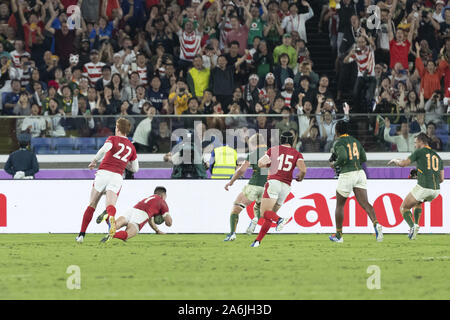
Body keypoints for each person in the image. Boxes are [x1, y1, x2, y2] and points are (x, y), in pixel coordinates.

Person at [76, 118, 139, 243]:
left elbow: (105, 149)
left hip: (103, 173)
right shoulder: (131, 147)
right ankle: (111, 218)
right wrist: (123, 162)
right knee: (110, 205)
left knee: (92, 204)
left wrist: (94, 160)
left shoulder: (113, 139)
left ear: (118, 128)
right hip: (117, 176)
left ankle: (81, 235)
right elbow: (135, 168)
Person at [329, 121, 383, 243]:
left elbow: (342, 157)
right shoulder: (355, 141)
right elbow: (364, 158)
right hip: (360, 173)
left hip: (347, 174)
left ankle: (338, 235)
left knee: (340, 205)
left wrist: (335, 164)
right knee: (365, 203)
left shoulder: (338, 143)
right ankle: (376, 223)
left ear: (337, 131)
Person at [250, 131, 307, 247]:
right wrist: (300, 177)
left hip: (274, 182)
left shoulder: (273, 150)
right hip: (286, 187)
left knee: (265, 213)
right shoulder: (297, 154)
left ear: (281, 140)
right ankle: (257, 241)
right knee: (270, 216)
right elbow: (303, 170)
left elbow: (260, 163)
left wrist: (268, 165)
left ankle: (280, 220)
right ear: (292, 141)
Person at [388, 133, 444, 240]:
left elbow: (404, 163)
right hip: (436, 190)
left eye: (415, 142)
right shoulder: (437, 156)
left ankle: (412, 226)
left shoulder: (419, 152)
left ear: (421, 142)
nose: (414, 145)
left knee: (403, 208)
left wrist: (396, 160)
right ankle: (416, 227)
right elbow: (441, 179)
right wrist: (420, 174)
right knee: (418, 203)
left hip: (424, 187)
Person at [223, 134, 267, 241]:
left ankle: (232, 233)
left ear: (253, 144)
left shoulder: (253, 154)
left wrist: (231, 182)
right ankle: (256, 218)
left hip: (254, 185)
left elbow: (242, 170)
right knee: (258, 207)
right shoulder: (272, 154)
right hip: (267, 186)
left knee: (236, 208)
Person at [97, 186, 173, 242]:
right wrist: (164, 217)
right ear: (163, 195)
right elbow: (169, 223)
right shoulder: (162, 202)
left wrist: (157, 230)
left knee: (115, 225)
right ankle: (112, 235)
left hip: (133, 210)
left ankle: (107, 217)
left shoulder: (149, 199)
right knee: (129, 234)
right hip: (141, 214)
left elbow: (150, 220)